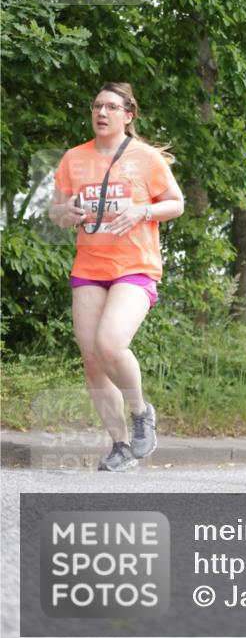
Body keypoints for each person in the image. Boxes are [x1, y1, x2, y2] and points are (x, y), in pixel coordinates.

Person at [50, 82, 184, 471]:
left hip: (135, 265)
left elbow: (176, 203)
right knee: (92, 358)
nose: (101, 112)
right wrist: (67, 214)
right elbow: (55, 212)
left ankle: (141, 412)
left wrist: (143, 212)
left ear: (128, 115)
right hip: (89, 267)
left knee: (110, 343)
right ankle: (121, 446)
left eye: (111, 106)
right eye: (96, 106)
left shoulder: (146, 158)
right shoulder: (74, 158)